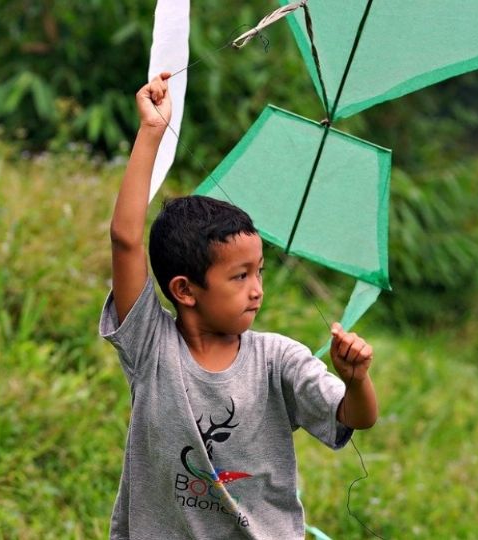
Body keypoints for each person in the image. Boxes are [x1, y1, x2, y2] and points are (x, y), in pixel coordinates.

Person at [99, 72, 378, 539]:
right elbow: (125, 239)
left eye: (259, 271)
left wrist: (357, 381)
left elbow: (357, 418)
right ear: (185, 290)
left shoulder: (278, 359)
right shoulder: (151, 346)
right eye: (239, 276)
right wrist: (151, 132)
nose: (257, 289)